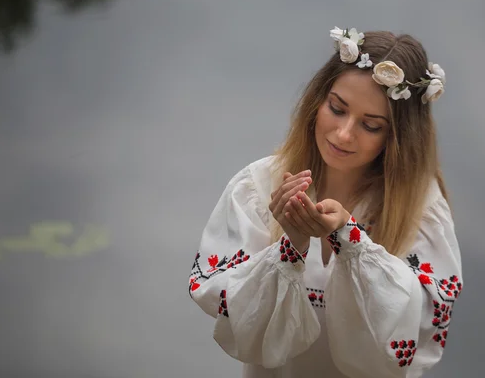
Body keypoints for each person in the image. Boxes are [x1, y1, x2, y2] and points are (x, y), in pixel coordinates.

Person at [188, 26, 463, 378]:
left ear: (397, 137)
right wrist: (292, 245)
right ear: (318, 101)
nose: (344, 133)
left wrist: (350, 239)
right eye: (337, 108)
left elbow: (419, 329)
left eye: (371, 125)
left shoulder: (420, 210)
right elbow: (237, 320)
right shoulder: (259, 187)